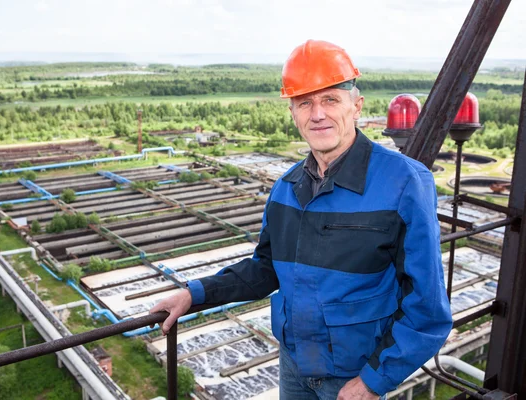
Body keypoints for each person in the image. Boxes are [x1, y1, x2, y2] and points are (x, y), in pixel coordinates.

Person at [150, 40, 453, 400]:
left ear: (356, 106)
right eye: (304, 102)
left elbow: (428, 307)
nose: (317, 114)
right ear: (292, 113)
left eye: (330, 99)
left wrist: (374, 381)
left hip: (353, 377)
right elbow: (264, 270)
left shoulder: (404, 183)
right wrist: (192, 294)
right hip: (294, 367)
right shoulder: (286, 187)